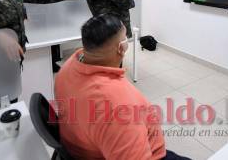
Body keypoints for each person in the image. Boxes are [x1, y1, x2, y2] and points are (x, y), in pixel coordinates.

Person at [55, 14, 191, 160]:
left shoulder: (68, 67)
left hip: (85, 145)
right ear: (121, 48)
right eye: (125, 38)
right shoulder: (116, 107)